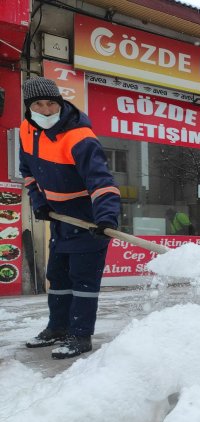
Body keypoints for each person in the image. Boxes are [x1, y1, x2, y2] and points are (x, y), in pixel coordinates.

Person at [19, 77, 120, 359]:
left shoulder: (80, 137)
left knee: (83, 280)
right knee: (58, 277)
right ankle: (58, 328)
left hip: (88, 218)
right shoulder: (27, 131)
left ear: (60, 103)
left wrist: (106, 218)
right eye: (39, 104)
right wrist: (39, 202)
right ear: (29, 107)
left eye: (51, 103)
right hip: (60, 219)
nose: (47, 110)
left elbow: (101, 182)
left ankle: (80, 335)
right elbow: (27, 171)